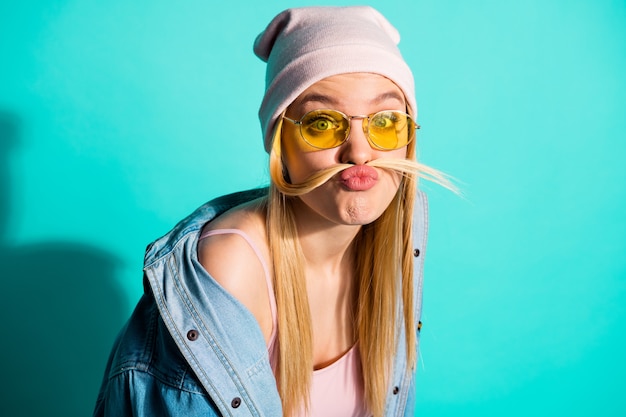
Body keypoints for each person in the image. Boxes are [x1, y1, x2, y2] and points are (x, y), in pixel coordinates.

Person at [94, 6, 449, 417]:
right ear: (279, 140)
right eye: (322, 122)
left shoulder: (401, 233)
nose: (359, 151)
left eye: (386, 121)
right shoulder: (230, 266)